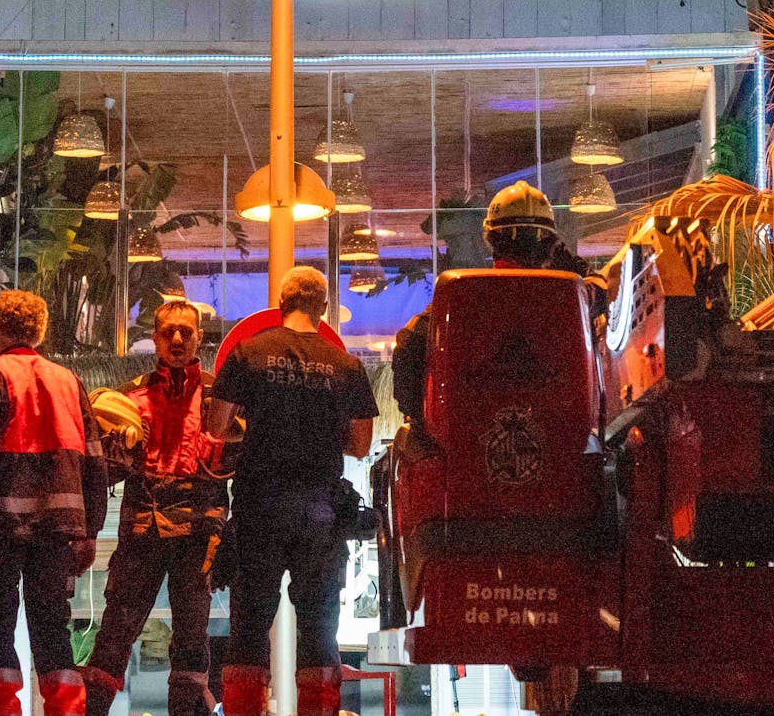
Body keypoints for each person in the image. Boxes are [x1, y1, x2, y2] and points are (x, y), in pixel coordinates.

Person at [203, 267, 378, 716]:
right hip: (320, 511)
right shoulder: (347, 366)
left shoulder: (249, 352)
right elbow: (360, 444)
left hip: (259, 506)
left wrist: (259, 428)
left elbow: (217, 427)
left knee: (248, 626)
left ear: (281, 303)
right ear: (322, 308)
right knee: (320, 629)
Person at [0, 290, 110, 716]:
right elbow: (96, 460)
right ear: (40, 331)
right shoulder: (69, 382)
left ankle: (2, 710)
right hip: (58, 530)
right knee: (53, 629)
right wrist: (91, 528)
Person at [80, 300, 228, 716]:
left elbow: (243, 463)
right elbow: (103, 472)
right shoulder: (129, 395)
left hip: (199, 534)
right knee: (114, 635)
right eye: (168, 332)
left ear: (200, 336)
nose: (178, 339)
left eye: (186, 331)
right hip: (142, 527)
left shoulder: (222, 396)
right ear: (156, 338)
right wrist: (114, 448)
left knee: (192, 644)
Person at [391, 180, 607, 445]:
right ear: (550, 244)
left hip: (470, 447)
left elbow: (408, 346)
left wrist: (420, 420)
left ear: (490, 240)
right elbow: (599, 291)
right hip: (554, 446)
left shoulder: (462, 295)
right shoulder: (571, 300)